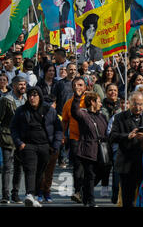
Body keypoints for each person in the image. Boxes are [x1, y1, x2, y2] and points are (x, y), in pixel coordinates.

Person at [10, 86, 63, 207]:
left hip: (45, 146)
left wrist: (55, 145)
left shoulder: (49, 110)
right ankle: (29, 194)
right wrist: (19, 143)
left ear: (40, 96)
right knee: (30, 169)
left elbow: (59, 129)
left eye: (35, 95)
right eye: (30, 96)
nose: (32, 98)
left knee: (41, 172)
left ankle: (34, 195)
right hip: (28, 145)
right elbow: (13, 128)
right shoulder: (21, 110)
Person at [109, 91, 143, 207]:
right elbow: (112, 137)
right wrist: (127, 136)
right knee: (127, 198)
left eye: (140, 104)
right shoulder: (120, 117)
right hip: (126, 163)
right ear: (129, 103)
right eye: (135, 104)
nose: (138, 107)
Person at [70, 90, 108, 207]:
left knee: (101, 173)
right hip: (87, 149)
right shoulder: (83, 114)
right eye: (99, 102)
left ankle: (83, 191)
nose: (101, 104)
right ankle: (91, 201)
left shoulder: (102, 116)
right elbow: (74, 112)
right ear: (92, 102)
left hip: (101, 150)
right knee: (90, 175)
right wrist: (77, 97)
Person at [0, 75, 26, 204]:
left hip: (22, 139)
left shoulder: (28, 99)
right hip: (8, 137)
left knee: (19, 168)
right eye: (20, 84)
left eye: (24, 84)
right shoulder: (6, 99)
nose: (23, 87)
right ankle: (5, 195)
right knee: (7, 167)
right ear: (15, 85)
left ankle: (15, 194)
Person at [62, 76, 87, 204]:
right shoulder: (69, 102)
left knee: (89, 167)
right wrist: (63, 136)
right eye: (76, 85)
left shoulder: (90, 100)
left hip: (90, 139)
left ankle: (86, 190)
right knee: (78, 167)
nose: (78, 87)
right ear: (72, 87)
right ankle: (78, 191)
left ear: (85, 87)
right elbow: (64, 121)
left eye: (81, 85)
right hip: (75, 138)